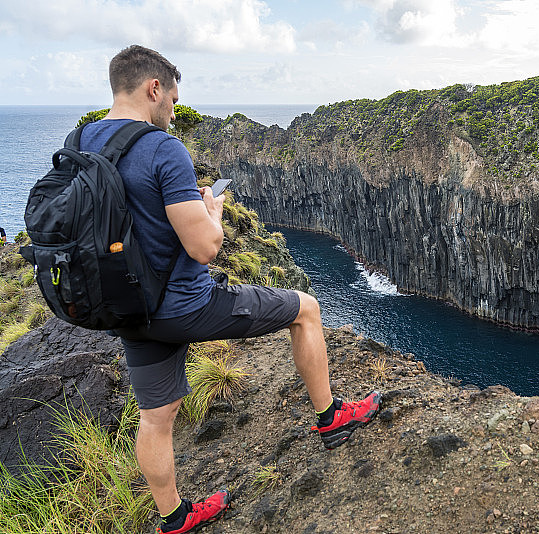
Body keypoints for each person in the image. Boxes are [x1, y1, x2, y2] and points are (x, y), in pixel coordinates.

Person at [80, 45, 381, 534]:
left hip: (126, 307)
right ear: (153, 89)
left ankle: (174, 520)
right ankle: (332, 419)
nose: (174, 114)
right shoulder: (162, 148)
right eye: (173, 101)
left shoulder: (84, 140)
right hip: (186, 304)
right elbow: (204, 248)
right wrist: (212, 214)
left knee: (156, 417)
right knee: (306, 308)